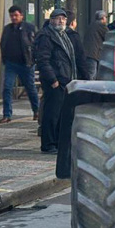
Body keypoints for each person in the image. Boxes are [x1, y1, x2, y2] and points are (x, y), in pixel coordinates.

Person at [34, 9, 79, 154]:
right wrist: (53, 79)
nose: (61, 21)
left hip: (65, 79)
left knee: (61, 113)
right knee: (52, 113)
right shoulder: (46, 36)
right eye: (58, 18)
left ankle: (58, 142)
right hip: (55, 81)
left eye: (63, 19)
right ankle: (48, 144)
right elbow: (43, 60)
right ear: (51, 20)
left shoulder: (63, 35)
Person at [0, 5, 39, 123]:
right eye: (12, 16)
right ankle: (7, 114)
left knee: (30, 88)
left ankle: (37, 111)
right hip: (11, 64)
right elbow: (2, 44)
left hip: (26, 63)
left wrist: (33, 60)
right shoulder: (7, 29)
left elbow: (36, 45)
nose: (14, 18)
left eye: (16, 15)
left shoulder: (29, 28)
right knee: (7, 88)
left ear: (21, 15)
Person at [65, 10, 90, 82]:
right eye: (75, 21)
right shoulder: (74, 36)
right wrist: (86, 76)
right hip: (72, 74)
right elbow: (80, 57)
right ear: (72, 23)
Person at [82, 10, 108, 79]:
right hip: (93, 54)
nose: (106, 19)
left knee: (91, 73)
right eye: (106, 17)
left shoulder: (92, 25)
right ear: (103, 18)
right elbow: (108, 36)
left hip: (88, 53)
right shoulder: (100, 25)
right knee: (92, 74)